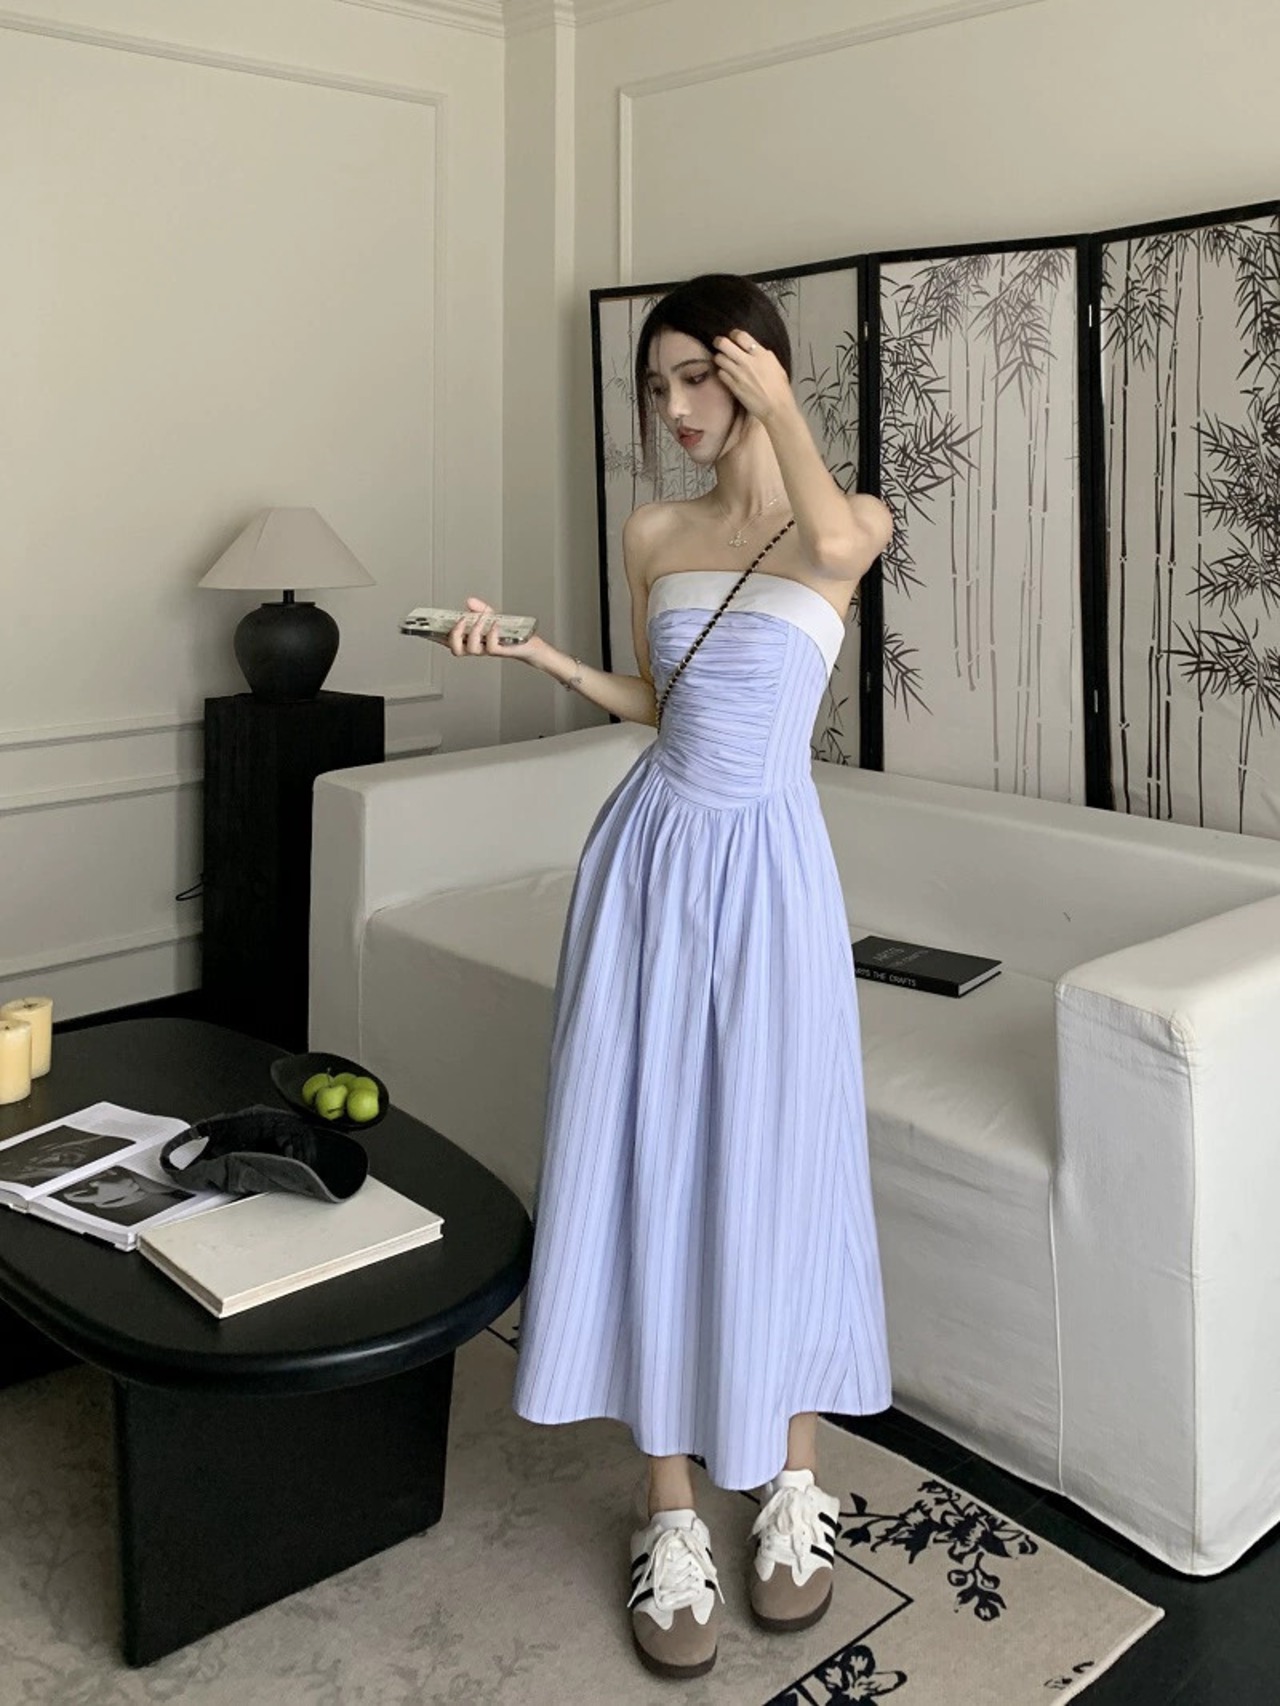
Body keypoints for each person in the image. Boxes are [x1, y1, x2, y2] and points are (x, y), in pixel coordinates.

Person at [441, 273, 894, 1682]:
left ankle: (794, 1481)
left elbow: (832, 539)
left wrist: (780, 409)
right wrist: (546, 657)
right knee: (649, 1151)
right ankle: (673, 1506)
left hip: (772, 875)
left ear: (756, 369)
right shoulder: (652, 532)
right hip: (648, 862)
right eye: (659, 387)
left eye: (699, 377)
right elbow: (666, 702)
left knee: (780, 1154)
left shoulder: (847, 521)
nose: (676, 408)